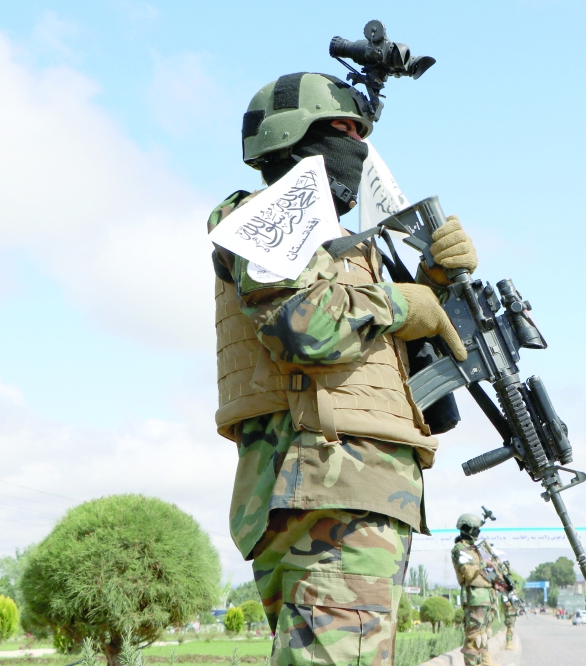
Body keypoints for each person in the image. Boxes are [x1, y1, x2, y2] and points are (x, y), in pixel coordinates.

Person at [211, 72, 478, 666]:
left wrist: (431, 279)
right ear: (293, 136)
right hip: (323, 486)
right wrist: (410, 303)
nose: (357, 147)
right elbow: (304, 329)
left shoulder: (342, 244)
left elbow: (374, 353)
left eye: (362, 132)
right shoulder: (265, 217)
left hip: (350, 490)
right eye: (343, 130)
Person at [452, 514, 499, 666]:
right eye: (476, 530)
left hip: (486, 597)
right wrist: (484, 564)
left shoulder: (475, 550)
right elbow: (468, 572)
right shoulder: (460, 549)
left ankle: (485, 662)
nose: (478, 533)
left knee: (483, 636)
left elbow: (486, 574)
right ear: (467, 529)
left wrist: (495, 576)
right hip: (474, 598)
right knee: (473, 638)